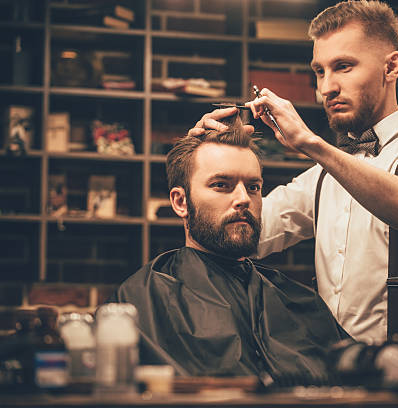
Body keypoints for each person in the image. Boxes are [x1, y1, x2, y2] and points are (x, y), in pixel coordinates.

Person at [190, 0, 398, 345]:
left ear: (392, 66)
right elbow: (240, 234)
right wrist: (201, 162)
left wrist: (312, 144)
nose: (326, 88)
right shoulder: (320, 179)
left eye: (343, 67)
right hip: (334, 377)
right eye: (319, 71)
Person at [110, 114, 349, 379]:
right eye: (221, 185)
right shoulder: (146, 297)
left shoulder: (297, 300)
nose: (243, 199)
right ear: (180, 202)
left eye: (253, 187)